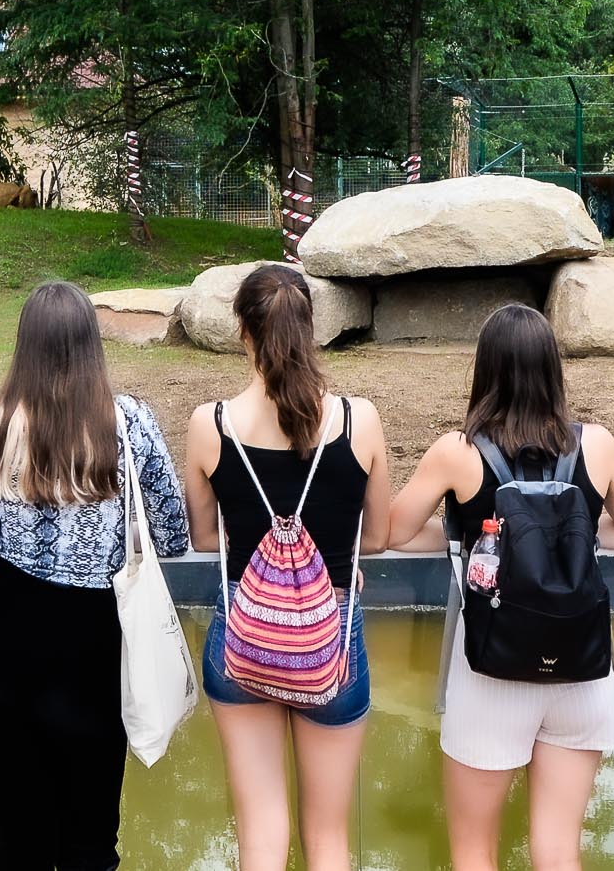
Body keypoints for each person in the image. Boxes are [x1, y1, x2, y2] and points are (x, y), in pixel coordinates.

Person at [387, 304, 614, 871]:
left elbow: (394, 531)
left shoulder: (456, 453)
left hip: (492, 672)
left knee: (474, 852)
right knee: (557, 851)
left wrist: (463, 538)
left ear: (486, 370)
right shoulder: (596, 446)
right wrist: (571, 538)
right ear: (553, 369)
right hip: (581, 670)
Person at [0, 280, 190, 869]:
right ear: (92, 343)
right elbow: (172, 531)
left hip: (3, 631)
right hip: (92, 640)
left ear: (24, 344)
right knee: (90, 840)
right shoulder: (128, 422)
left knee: (16, 836)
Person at [184, 264, 391, 871]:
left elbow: (204, 538)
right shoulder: (359, 420)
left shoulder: (210, 425)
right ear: (312, 330)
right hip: (333, 638)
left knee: (261, 833)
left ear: (242, 332)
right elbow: (375, 536)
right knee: (328, 839)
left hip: (241, 639)